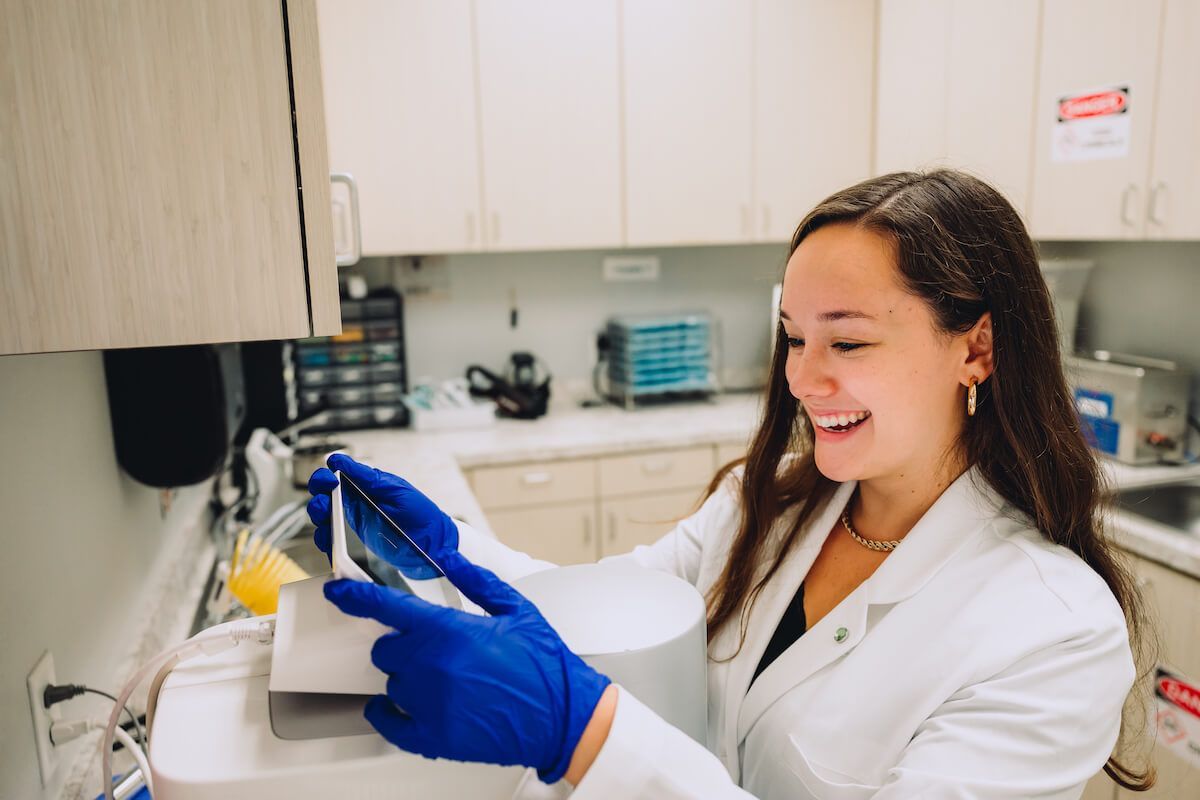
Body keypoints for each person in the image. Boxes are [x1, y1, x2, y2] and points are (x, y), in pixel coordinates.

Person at [307, 170, 1153, 798]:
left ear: (976, 349)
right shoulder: (772, 504)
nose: (803, 378)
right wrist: (444, 557)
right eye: (793, 338)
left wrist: (589, 735)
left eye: (848, 343)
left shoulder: (1052, 631)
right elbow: (609, 608)